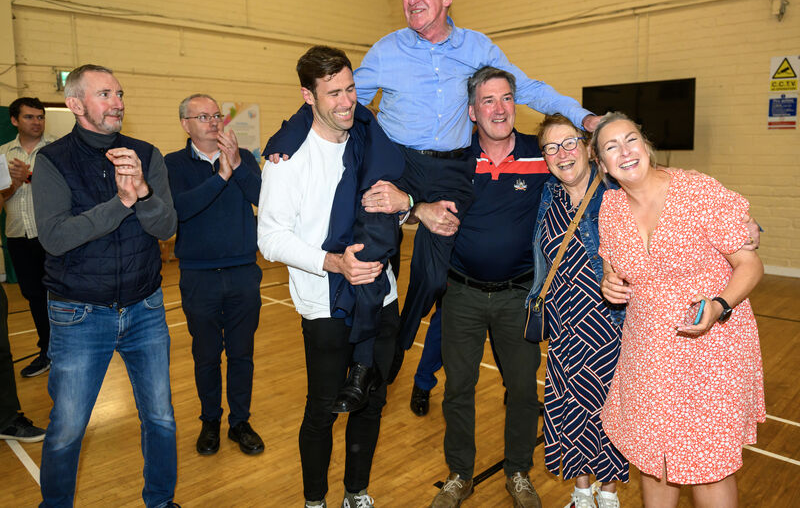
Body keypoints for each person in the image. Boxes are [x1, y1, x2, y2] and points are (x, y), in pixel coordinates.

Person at [353, 0, 598, 377]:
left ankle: (394, 355)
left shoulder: (476, 48)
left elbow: (528, 89)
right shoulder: (386, 50)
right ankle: (363, 363)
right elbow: (342, 103)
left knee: (431, 279)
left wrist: (584, 118)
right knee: (374, 255)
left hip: (448, 168)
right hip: (398, 163)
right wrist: (293, 136)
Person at [382, 67, 547, 507]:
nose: (499, 108)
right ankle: (459, 474)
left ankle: (518, 473)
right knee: (458, 388)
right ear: (472, 111)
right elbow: (409, 202)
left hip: (518, 296)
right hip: (461, 294)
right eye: (488, 101)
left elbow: (590, 182)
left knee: (523, 390)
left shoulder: (540, 155)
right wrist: (415, 209)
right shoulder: (452, 157)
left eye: (507, 98)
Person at [594, 113, 765, 507]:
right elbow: (613, 266)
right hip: (648, 353)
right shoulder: (611, 207)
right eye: (611, 147)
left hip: (711, 348)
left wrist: (719, 305)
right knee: (655, 463)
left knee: (709, 468)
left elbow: (750, 264)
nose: (625, 151)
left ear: (646, 145)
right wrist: (610, 282)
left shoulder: (697, 191)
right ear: (603, 166)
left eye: (631, 139)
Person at [258, 46, 403, 508]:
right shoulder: (287, 159)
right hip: (325, 303)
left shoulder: (368, 137)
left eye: (351, 89)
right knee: (322, 410)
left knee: (372, 402)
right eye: (333, 93)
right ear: (308, 96)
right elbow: (271, 239)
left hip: (381, 295)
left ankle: (356, 492)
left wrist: (400, 205)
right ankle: (315, 500)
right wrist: (334, 262)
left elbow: (389, 208)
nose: (346, 102)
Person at [32, 64, 179, 508]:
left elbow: (166, 227)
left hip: (144, 308)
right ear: (75, 105)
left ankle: (160, 501)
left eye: (119, 93)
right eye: (104, 95)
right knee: (68, 427)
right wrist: (121, 203)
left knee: (161, 418)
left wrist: (145, 191)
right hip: (79, 314)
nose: (117, 102)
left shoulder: (145, 153)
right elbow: (55, 237)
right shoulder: (53, 161)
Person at [525, 115, 628, 508]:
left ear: (587, 147)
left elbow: (664, 195)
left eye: (569, 143)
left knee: (608, 413)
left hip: (608, 326)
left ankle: (609, 495)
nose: (561, 154)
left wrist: (741, 223)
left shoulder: (615, 192)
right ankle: (583, 494)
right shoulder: (548, 195)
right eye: (551, 148)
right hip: (564, 326)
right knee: (570, 406)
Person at [165, 94, 264, 456]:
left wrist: (236, 165)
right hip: (199, 277)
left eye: (216, 115)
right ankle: (210, 421)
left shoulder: (245, 158)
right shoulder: (172, 164)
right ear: (185, 124)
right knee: (206, 356)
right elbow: (179, 211)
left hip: (242, 273)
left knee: (242, 354)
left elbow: (265, 201)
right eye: (202, 116)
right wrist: (221, 176)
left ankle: (240, 422)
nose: (212, 121)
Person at [0, 97, 55, 378]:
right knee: (34, 296)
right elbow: (0, 197)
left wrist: (30, 176)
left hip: (52, 235)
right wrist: (13, 184)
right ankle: (46, 350)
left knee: (60, 294)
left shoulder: (57, 150)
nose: (36, 122)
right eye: (29, 117)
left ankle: (67, 348)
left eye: (40, 117)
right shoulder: (2, 154)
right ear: (14, 120)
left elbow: (66, 190)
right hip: (18, 236)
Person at [0, 190, 46, 443]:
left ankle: (6, 418)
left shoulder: (49, 152)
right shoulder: (6, 152)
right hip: (19, 238)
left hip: (44, 237)